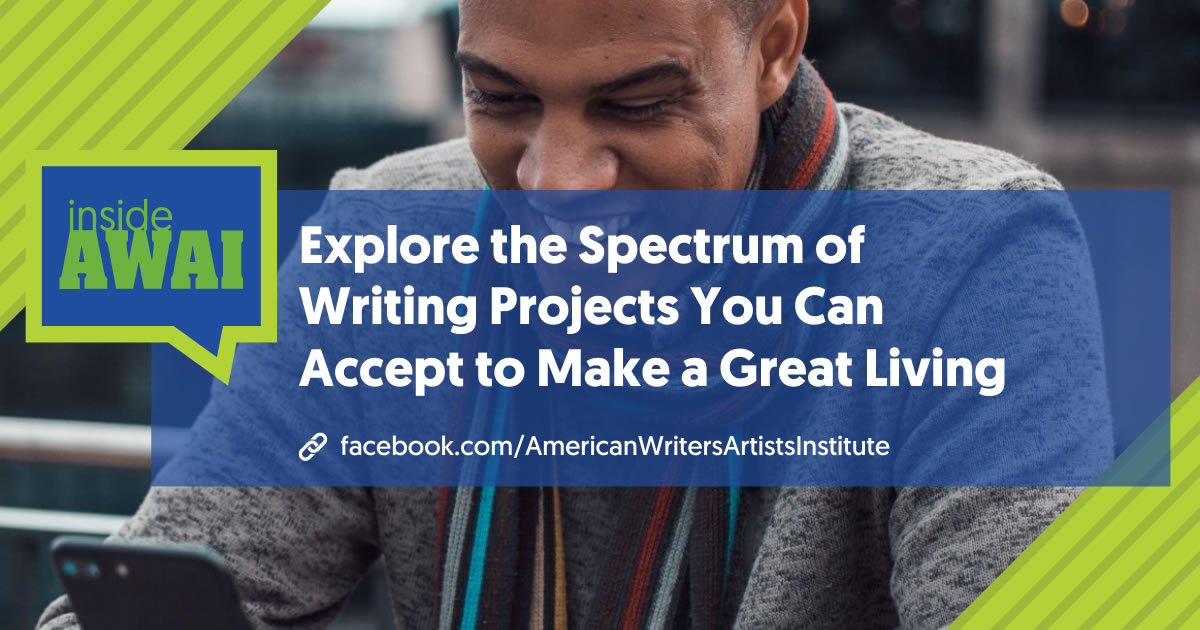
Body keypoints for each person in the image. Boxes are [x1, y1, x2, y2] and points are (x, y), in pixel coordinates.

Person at [38, 0, 1111, 628]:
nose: (558, 182)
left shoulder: (972, 247)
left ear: (778, 41)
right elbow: (147, 584)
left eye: (637, 105)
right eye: (499, 100)